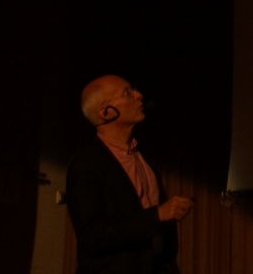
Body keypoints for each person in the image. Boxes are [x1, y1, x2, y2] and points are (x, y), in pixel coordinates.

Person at [66, 75, 192, 274]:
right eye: (127, 93)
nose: (138, 95)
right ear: (106, 112)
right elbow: (93, 237)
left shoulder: (144, 154)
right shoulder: (86, 164)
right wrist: (158, 214)